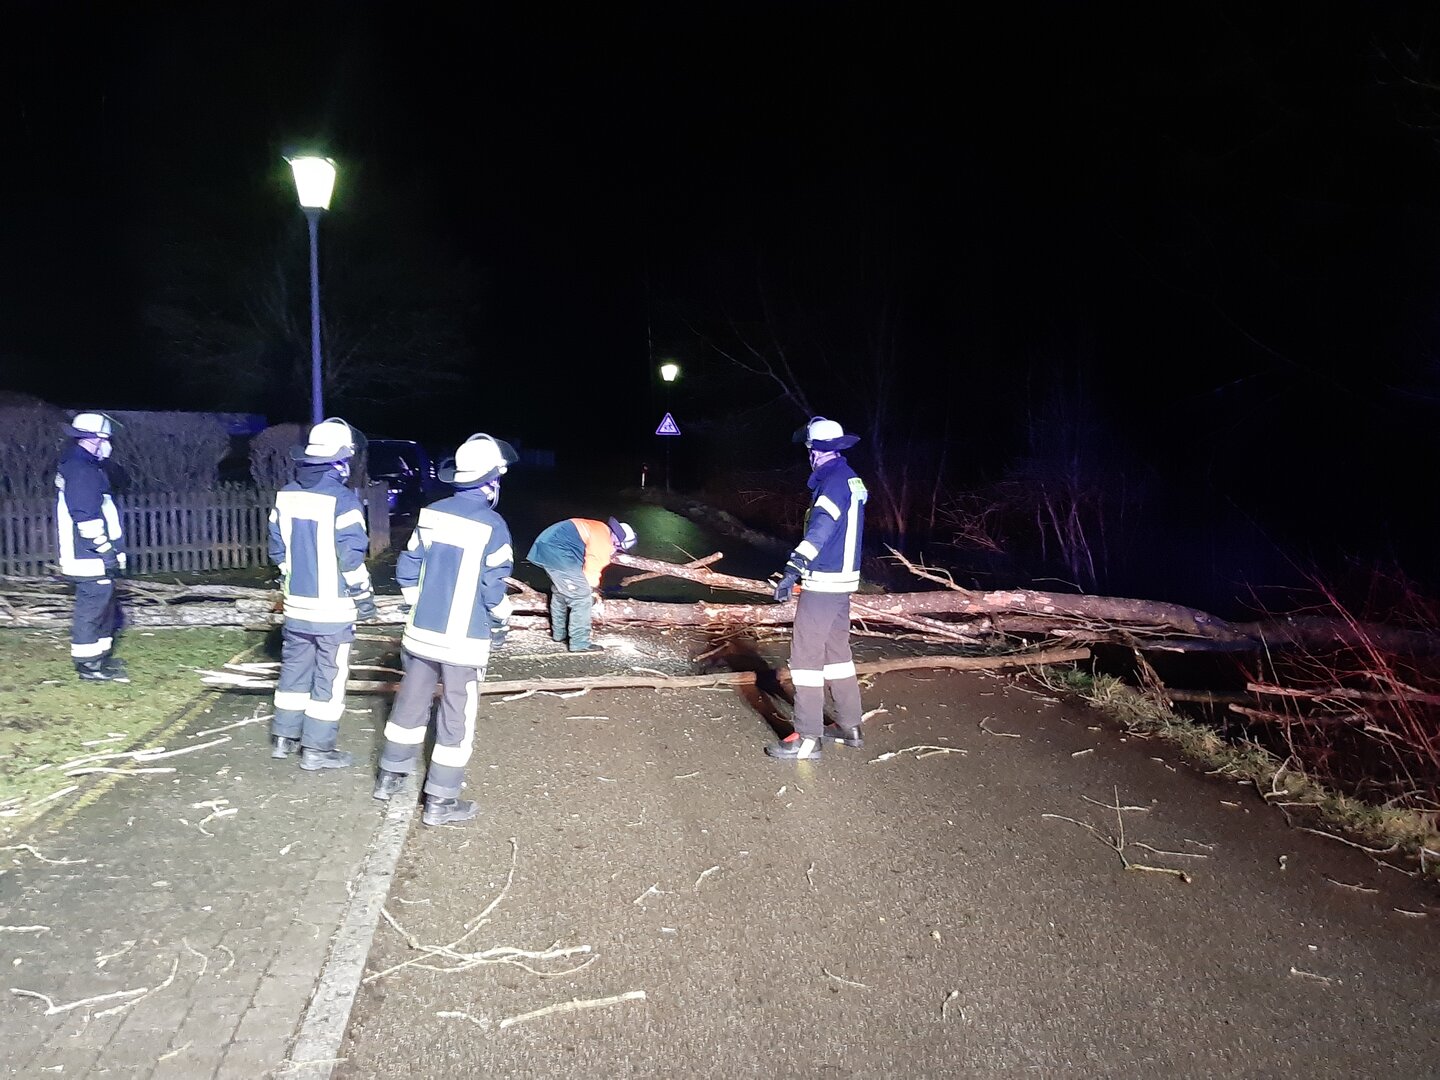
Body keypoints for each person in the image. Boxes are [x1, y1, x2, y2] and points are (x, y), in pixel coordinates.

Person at [373, 433, 517, 826]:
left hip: (421, 635)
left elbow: (408, 566)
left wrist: (417, 607)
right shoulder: (493, 526)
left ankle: (389, 777)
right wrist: (503, 622)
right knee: (457, 717)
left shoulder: (432, 513)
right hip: (464, 643)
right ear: (491, 482)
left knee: (409, 704)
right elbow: (493, 588)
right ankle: (441, 800)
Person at [267, 417, 375, 770]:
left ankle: (284, 738)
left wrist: (293, 581)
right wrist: (364, 599)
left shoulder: (287, 494)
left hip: (296, 606)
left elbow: (278, 551)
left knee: (294, 671)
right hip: (333, 610)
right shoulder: (343, 501)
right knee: (329, 677)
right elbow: (351, 559)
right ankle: (317, 749)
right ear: (341, 460)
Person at [766, 417, 870, 760]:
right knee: (837, 654)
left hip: (824, 581)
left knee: (805, 659)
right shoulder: (850, 478)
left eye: (808, 449)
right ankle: (849, 726)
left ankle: (808, 737)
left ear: (813, 451)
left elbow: (821, 530)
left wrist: (793, 568)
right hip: (843, 582)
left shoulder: (833, 483)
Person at [55, 412, 129, 683]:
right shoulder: (82, 470)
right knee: (91, 610)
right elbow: (86, 517)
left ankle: (100, 660)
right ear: (95, 439)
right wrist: (105, 550)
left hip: (93, 556)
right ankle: (88, 666)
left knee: (103, 609)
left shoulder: (85, 466)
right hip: (89, 556)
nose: (109, 444)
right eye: (106, 439)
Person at [526, 516, 637, 653]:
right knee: (582, 598)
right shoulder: (603, 539)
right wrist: (593, 591)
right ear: (617, 541)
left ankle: (559, 634)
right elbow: (593, 568)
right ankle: (579, 642)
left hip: (547, 546)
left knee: (561, 592)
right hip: (558, 552)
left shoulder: (598, 528)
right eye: (617, 547)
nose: (614, 550)